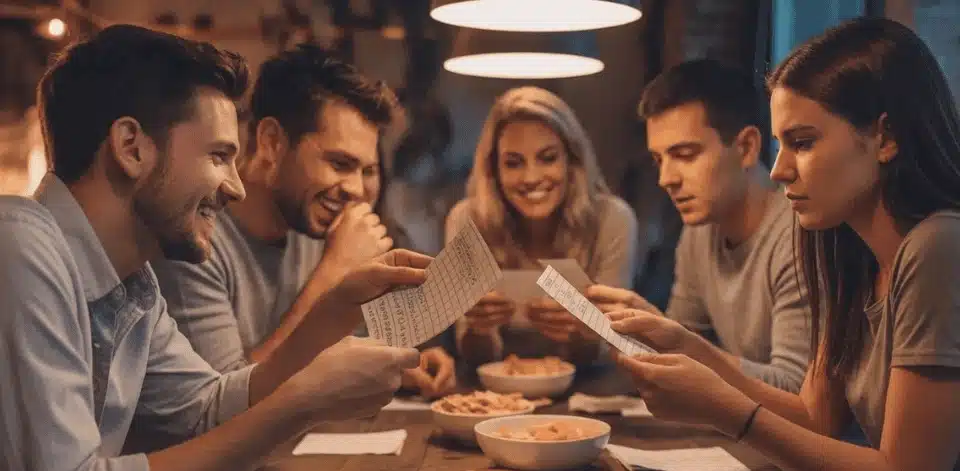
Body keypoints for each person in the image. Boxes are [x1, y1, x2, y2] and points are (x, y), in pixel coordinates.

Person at [0, 25, 431, 471]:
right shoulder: (19, 249)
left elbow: (206, 411)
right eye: (219, 156)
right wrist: (301, 403)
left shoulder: (132, 285)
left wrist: (332, 313)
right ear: (131, 147)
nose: (236, 185)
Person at [609, 17, 960, 471]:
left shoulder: (939, 246)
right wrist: (688, 345)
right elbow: (814, 416)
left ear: (884, 137)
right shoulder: (848, 253)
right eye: (781, 144)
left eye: (803, 142)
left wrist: (729, 413)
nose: (778, 170)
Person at [152, 45, 455, 397]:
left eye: (368, 170)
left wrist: (398, 365)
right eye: (340, 164)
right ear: (272, 143)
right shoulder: (195, 241)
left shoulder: (312, 221)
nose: (357, 190)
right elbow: (224, 408)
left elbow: (329, 357)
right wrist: (335, 274)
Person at [586, 59, 810, 393]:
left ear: (746, 147)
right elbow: (679, 359)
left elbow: (795, 392)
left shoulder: (800, 236)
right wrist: (632, 332)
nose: (666, 179)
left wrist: (679, 342)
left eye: (686, 154)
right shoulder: (699, 233)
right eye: (659, 160)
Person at [447, 86, 639, 370]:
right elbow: (474, 355)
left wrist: (582, 334)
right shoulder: (466, 220)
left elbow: (613, 349)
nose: (532, 177)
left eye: (548, 158)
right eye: (513, 163)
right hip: (495, 395)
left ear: (571, 161)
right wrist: (480, 328)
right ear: (494, 171)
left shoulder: (612, 219)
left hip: (591, 392)